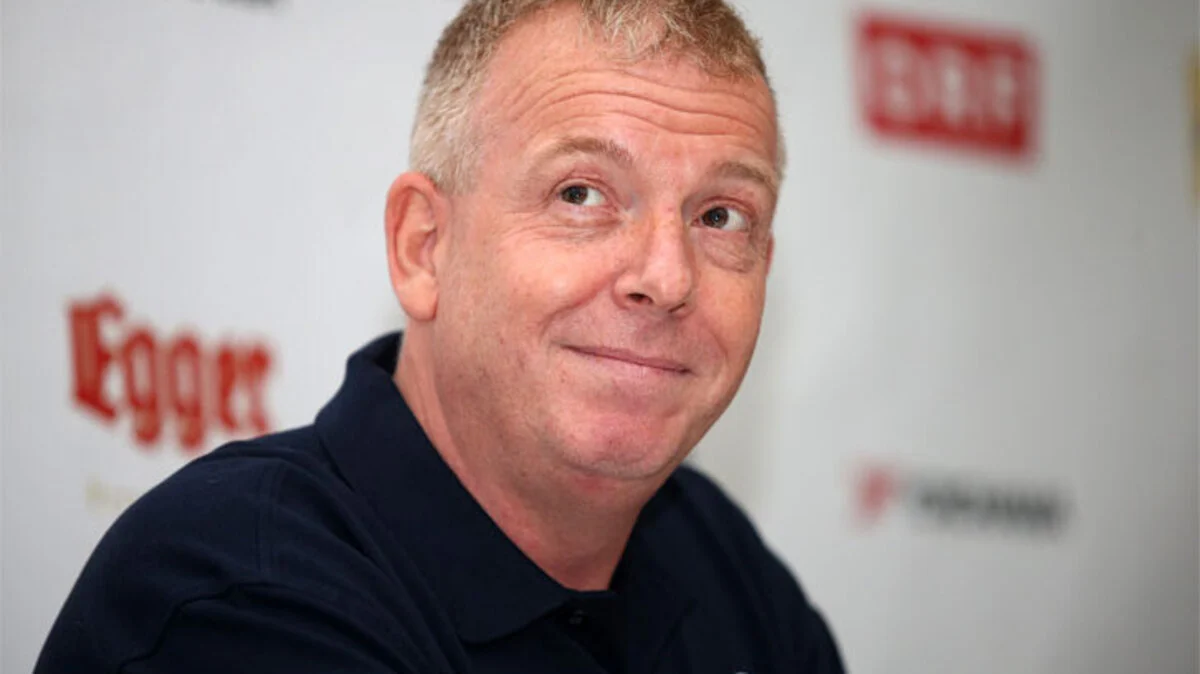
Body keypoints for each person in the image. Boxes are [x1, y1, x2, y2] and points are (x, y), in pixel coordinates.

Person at [36, 0, 845, 671]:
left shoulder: (722, 568)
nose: (667, 277)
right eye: (580, 194)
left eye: (721, 216)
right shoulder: (243, 596)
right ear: (423, 247)